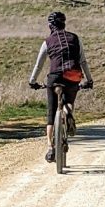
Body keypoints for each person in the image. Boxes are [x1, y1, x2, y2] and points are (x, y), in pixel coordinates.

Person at [28, 9, 92, 161]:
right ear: (64, 24)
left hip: (55, 77)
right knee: (69, 100)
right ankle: (68, 111)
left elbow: (39, 64)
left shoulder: (47, 42)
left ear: (50, 26)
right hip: (73, 76)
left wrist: (32, 81)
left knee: (51, 115)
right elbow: (83, 61)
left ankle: (50, 148)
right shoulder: (76, 38)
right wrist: (89, 80)